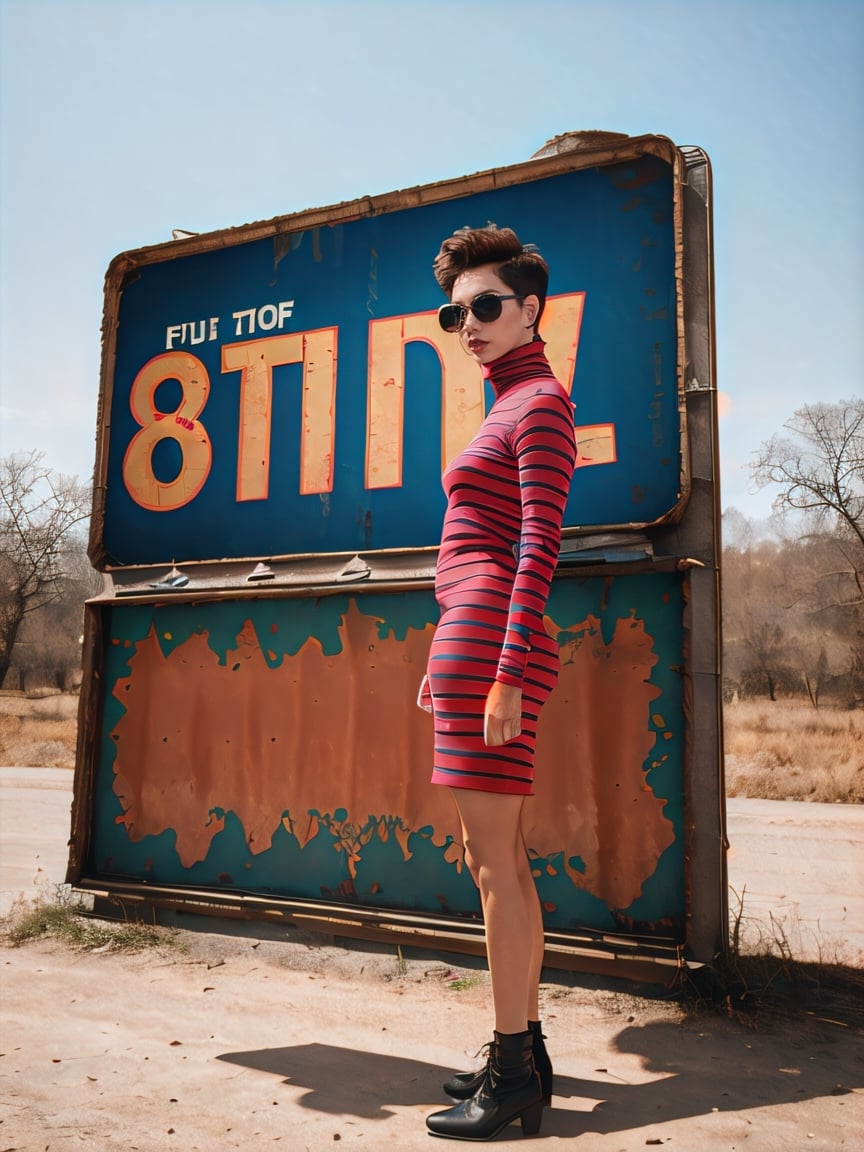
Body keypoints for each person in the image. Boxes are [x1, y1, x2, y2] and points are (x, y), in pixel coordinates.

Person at [422, 225, 577, 1141]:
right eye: (456, 310)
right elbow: (470, 552)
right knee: (501, 862)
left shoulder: (541, 405)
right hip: (469, 643)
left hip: (493, 647)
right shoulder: (507, 404)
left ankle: (513, 1072)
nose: (468, 321)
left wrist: (504, 671)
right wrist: (440, 664)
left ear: (529, 309)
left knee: (492, 869)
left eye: (486, 305)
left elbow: (536, 548)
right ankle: (526, 1049)